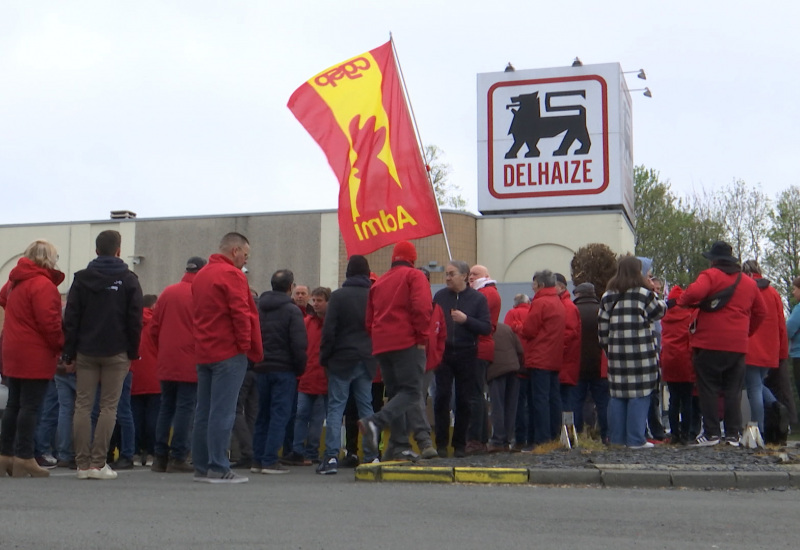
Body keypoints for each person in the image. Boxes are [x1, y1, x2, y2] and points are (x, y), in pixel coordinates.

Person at [63, 230, 143, 480]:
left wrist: (69, 353)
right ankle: (99, 463)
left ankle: (82, 464)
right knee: (109, 407)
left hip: (85, 350)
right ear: (118, 251)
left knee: (82, 406)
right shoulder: (129, 279)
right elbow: (135, 319)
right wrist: (133, 351)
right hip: (117, 351)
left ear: (96, 251)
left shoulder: (81, 279)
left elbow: (71, 318)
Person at [677, 241, 766, 446]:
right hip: (737, 345)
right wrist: (746, 333)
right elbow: (761, 313)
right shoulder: (749, 283)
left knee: (708, 388)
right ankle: (733, 435)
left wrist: (682, 301)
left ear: (714, 261)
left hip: (708, 342)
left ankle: (712, 434)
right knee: (733, 390)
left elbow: (691, 295)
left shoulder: (710, 276)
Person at [192, 232, 262, 483]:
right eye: (245, 254)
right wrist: (244, 346)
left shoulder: (201, 275)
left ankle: (201, 466)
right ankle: (219, 466)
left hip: (204, 351)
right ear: (235, 251)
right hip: (228, 352)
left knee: (204, 411)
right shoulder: (232, 275)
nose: (245, 260)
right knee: (224, 411)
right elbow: (240, 313)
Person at [359, 242, 433, 460]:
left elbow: (368, 320)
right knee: (411, 391)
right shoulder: (414, 276)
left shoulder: (379, 282)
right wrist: (421, 337)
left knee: (395, 394)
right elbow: (421, 307)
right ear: (413, 258)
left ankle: (399, 446)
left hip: (382, 345)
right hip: (407, 342)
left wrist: (379, 338)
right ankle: (375, 422)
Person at [0, 240, 65, 478]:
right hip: (34, 351)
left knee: (13, 405)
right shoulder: (42, 284)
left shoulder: (15, 281)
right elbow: (49, 323)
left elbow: (2, 298)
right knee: (30, 406)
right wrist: (61, 345)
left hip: (12, 348)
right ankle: (24, 457)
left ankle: (4, 455)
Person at [598, 256, 666, 449]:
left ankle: (617, 439)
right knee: (640, 394)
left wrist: (609, 350)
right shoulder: (643, 294)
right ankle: (636, 440)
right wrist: (655, 291)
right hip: (642, 354)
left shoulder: (607, 296)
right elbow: (660, 312)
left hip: (617, 355)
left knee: (618, 396)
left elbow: (602, 329)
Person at [319, 255, 379, 473]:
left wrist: (324, 357)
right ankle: (372, 456)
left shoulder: (338, 296)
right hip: (366, 358)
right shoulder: (373, 296)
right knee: (367, 408)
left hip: (341, 360)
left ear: (347, 273)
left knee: (336, 408)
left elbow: (329, 331)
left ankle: (331, 458)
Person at [150, 256, 205, 473]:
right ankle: (179, 455)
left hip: (166, 359)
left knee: (166, 407)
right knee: (185, 409)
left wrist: (162, 351)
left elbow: (154, 329)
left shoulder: (168, 292)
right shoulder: (201, 294)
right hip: (191, 360)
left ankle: (160, 456)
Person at [432, 260, 491, 457]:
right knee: (441, 397)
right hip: (445, 352)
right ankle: (441, 443)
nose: (447, 278)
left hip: (467, 352)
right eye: (446, 274)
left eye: (451, 274)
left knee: (464, 400)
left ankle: (459, 444)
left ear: (464, 276)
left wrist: (466, 320)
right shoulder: (440, 297)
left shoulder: (477, 299)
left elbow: (486, 327)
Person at [252, 269, 307, 475]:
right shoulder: (292, 311)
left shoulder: (260, 308)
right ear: (290, 287)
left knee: (262, 414)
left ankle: (257, 459)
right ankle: (270, 460)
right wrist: (299, 368)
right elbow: (299, 344)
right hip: (284, 369)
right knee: (279, 415)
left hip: (261, 367)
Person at [283, 287, 330, 468]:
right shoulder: (306, 322)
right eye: (315, 300)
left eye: (320, 300)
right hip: (307, 375)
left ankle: (310, 451)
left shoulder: (328, 323)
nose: (316, 304)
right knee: (302, 415)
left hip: (321, 377)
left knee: (316, 418)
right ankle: (299, 451)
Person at [741, 260, 788, 435]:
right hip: (770, 348)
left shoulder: (746, 291)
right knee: (758, 385)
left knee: (754, 388)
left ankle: (757, 431)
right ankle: (777, 406)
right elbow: (781, 325)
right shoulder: (774, 293)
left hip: (750, 346)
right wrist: (782, 352)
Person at [521, 269, 566, 448]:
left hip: (539, 357)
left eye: (533, 284)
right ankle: (554, 436)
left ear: (539, 284)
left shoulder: (540, 303)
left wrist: (520, 328)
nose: (532, 288)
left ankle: (540, 439)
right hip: (554, 357)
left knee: (538, 400)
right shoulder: (558, 302)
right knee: (553, 399)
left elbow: (529, 330)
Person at [465, 265, 501, 455]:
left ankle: (476, 438)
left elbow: (474, 318)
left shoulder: (485, 294)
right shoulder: (490, 292)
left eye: (475, 274)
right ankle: (480, 437)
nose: (471, 277)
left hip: (479, 347)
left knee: (475, 395)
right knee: (477, 394)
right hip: (482, 347)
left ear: (485, 276)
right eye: (469, 274)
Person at [571, 282, 609, 442]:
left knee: (576, 402)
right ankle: (606, 434)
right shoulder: (601, 310)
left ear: (578, 294)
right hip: (599, 365)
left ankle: (577, 434)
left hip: (577, 365)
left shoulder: (573, 310)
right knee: (603, 403)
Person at [660, 285, 696, 445]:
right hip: (685, 361)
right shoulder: (689, 315)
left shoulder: (664, 317)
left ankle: (674, 434)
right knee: (687, 400)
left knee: (673, 399)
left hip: (669, 361)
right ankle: (685, 435)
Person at [130, 294, 161, 466]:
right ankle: (151, 452)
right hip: (155, 375)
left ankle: (134, 452)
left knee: (134, 417)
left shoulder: (131, 321)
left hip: (134, 374)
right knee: (153, 417)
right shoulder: (157, 323)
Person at [486, 322, 524, 452]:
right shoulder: (507, 328)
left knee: (498, 406)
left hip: (495, 371)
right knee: (510, 407)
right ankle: (507, 440)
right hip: (513, 369)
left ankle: (497, 440)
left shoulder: (484, 328)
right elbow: (520, 350)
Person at [555, 273, 581, 417]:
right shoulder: (565, 305)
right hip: (564, 362)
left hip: (565, 363)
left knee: (566, 402)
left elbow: (569, 333)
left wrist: (555, 350)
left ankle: (568, 434)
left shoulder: (568, 307)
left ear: (561, 287)